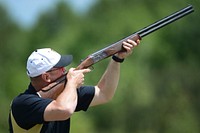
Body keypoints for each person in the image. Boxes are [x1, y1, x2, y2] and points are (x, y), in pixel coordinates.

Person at [8, 39, 140, 133]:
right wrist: (71, 83)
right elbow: (63, 110)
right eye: (60, 68)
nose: (65, 70)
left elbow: (104, 93)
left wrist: (117, 59)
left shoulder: (64, 94)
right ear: (46, 77)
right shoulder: (23, 103)